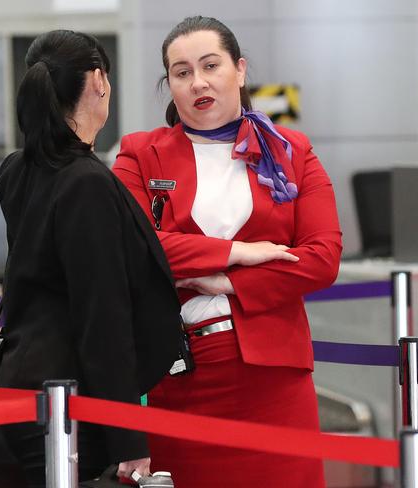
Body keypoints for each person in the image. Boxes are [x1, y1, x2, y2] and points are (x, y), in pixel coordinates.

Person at [113, 16, 342, 487]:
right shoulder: (140, 153)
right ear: (169, 85)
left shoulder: (290, 151)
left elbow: (322, 257)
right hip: (177, 373)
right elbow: (133, 248)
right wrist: (240, 251)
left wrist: (227, 280)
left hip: (274, 379)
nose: (197, 82)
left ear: (239, 70)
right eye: (181, 72)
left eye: (210, 65)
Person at [0, 30, 181, 486]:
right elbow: (102, 316)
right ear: (98, 80)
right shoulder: (85, 182)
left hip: (26, 389)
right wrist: (129, 438)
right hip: (69, 402)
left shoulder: (18, 168)